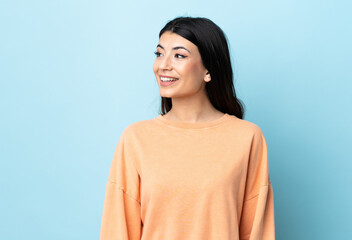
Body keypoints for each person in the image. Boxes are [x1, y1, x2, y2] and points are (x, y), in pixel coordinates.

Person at [99, 16, 275, 240]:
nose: (163, 65)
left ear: (208, 71)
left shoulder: (247, 137)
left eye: (179, 55)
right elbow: (118, 229)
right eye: (159, 53)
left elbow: (257, 232)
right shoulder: (136, 138)